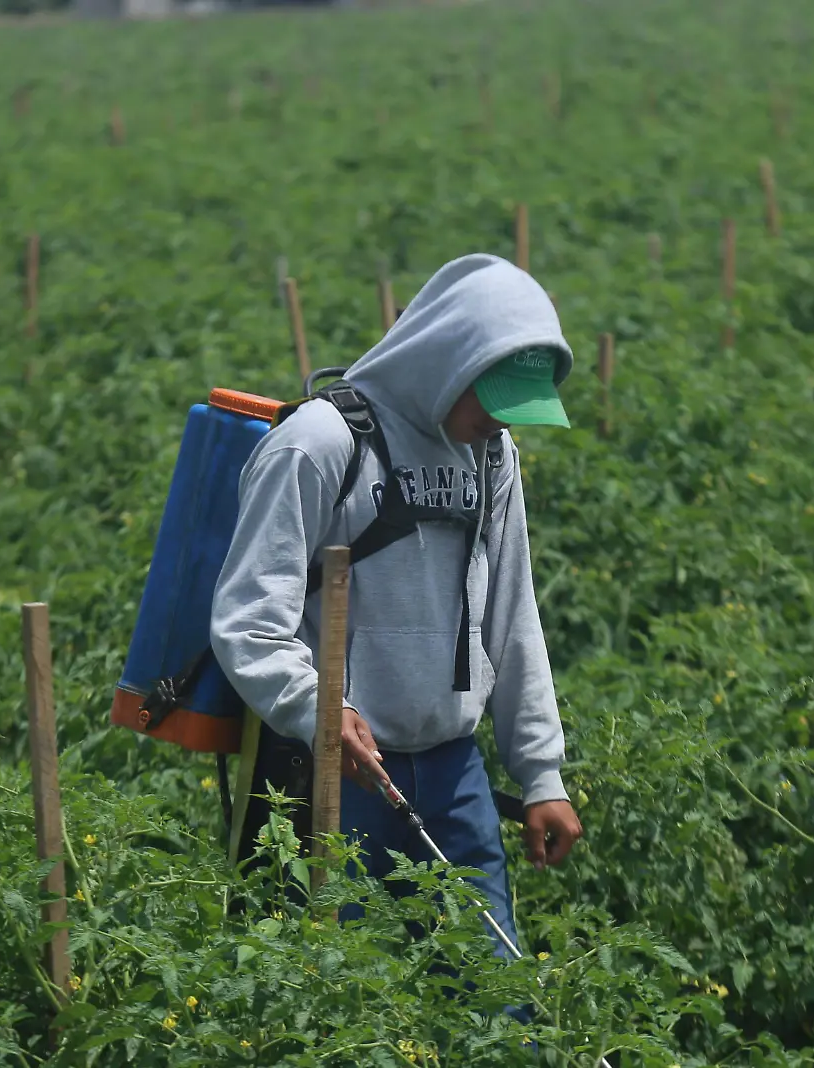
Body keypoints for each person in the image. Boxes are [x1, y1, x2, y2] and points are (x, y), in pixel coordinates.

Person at [210, 253, 584, 959]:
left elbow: (512, 616)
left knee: (491, 1003)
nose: (501, 421)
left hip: (453, 773)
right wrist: (316, 707)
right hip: (331, 771)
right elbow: (248, 620)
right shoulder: (321, 444)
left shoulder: (494, 458)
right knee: (337, 1002)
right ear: (449, 362)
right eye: (492, 398)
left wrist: (541, 775)